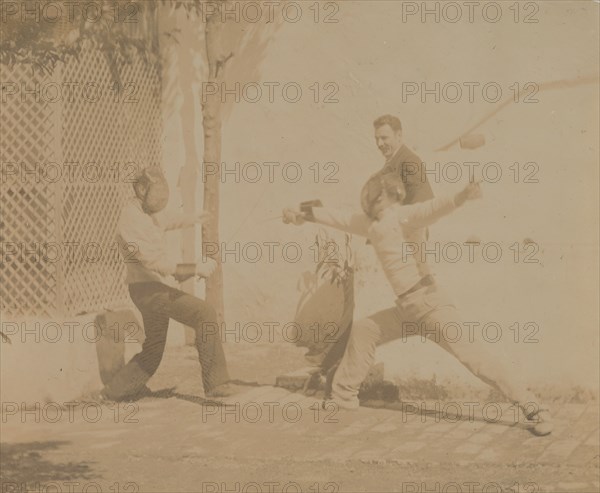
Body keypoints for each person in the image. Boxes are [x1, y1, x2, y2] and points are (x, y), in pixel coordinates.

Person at [283, 175, 552, 436]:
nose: (372, 201)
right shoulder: (371, 224)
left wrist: (461, 196)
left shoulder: (404, 217)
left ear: (389, 198)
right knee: (365, 330)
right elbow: (338, 218)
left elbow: (433, 209)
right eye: (371, 197)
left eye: (378, 197)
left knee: (476, 359)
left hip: (431, 305)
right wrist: (301, 213)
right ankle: (343, 397)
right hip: (406, 309)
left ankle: (535, 409)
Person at [101, 166, 239, 401]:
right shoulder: (131, 219)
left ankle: (114, 391)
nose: (159, 202)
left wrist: (193, 218)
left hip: (152, 288)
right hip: (147, 290)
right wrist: (194, 269)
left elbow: (167, 219)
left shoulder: (146, 210)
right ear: (141, 190)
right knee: (204, 312)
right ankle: (216, 384)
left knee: (153, 349)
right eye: (156, 196)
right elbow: (154, 261)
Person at [361, 114, 433, 215]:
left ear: (398, 136)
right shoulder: (392, 162)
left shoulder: (410, 161)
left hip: (406, 229)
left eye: (384, 138)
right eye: (376, 139)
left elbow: (423, 204)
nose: (379, 144)